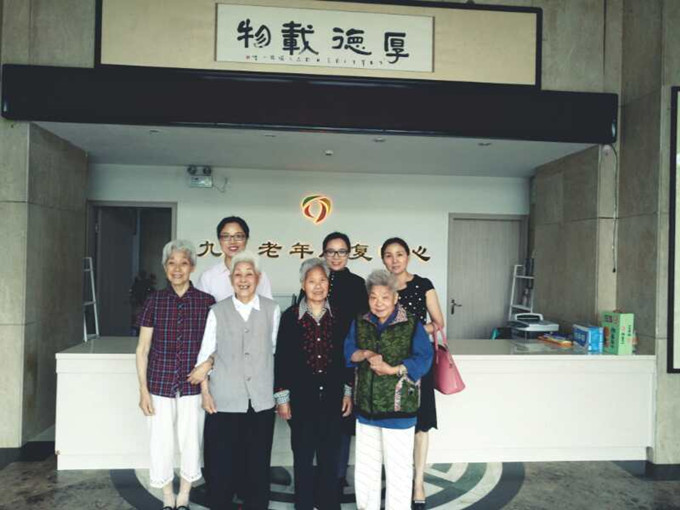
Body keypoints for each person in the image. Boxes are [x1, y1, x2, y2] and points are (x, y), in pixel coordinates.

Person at [189, 250, 280, 510]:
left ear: (258, 278)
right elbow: (206, 354)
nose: (243, 280)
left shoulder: (272, 310)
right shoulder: (217, 311)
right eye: (237, 275)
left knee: (257, 465)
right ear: (231, 280)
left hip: (260, 400)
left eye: (249, 274)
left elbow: (273, 350)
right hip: (224, 399)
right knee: (221, 466)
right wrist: (205, 393)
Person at [135, 240, 215, 510]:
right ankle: (168, 495)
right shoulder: (154, 301)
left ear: (192, 267)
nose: (177, 269)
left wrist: (207, 372)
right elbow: (142, 349)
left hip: (193, 385)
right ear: (165, 267)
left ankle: (185, 495)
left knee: (191, 441)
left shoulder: (206, 302)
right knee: (160, 442)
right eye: (171, 263)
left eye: (183, 263)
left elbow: (215, 347)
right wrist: (143, 391)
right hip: (159, 383)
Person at [344, 270, 433, 510]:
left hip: (399, 410)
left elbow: (424, 359)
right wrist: (365, 353)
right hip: (366, 410)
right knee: (366, 469)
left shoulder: (411, 323)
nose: (379, 303)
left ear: (395, 297)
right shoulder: (361, 321)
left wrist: (393, 369)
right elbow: (348, 351)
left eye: (385, 297)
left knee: (399, 470)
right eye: (373, 297)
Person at [275, 258, 353, 510]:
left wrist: (347, 392)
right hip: (301, 399)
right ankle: (304, 505)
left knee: (330, 457)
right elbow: (282, 358)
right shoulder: (290, 317)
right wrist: (282, 398)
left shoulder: (340, 316)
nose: (318, 286)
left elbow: (347, 357)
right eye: (312, 281)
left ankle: (329, 504)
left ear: (329, 283)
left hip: (332, 397)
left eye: (322, 280)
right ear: (302, 284)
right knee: (303, 456)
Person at [299, 232, 368, 494]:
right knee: (315, 422)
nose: (336, 257)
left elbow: (363, 323)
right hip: (315, 360)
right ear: (323, 253)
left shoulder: (357, 284)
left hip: (345, 359)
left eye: (341, 251)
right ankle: (320, 473)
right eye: (331, 251)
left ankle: (337, 476)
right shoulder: (314, 279)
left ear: (349, 254)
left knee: (342, 419)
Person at [381, 237, 445, 510]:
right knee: (393, 425)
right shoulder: (380, 287)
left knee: (420, 425)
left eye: (399, 254)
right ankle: (397, 479)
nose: (394, 260)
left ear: (408, 257)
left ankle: (418, 483)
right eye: (388, 255)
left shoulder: (423, 285)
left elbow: (438, 323)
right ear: (383, 259)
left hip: (418, 362)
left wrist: (412, 333)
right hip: (388, 365)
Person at [196, 216, 273, 301]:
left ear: (246, 239)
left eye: (238, 236)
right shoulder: (208, 277)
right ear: (219, 240)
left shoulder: (260, 275)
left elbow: (268, 306)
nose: (232, 241)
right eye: (226, 236)